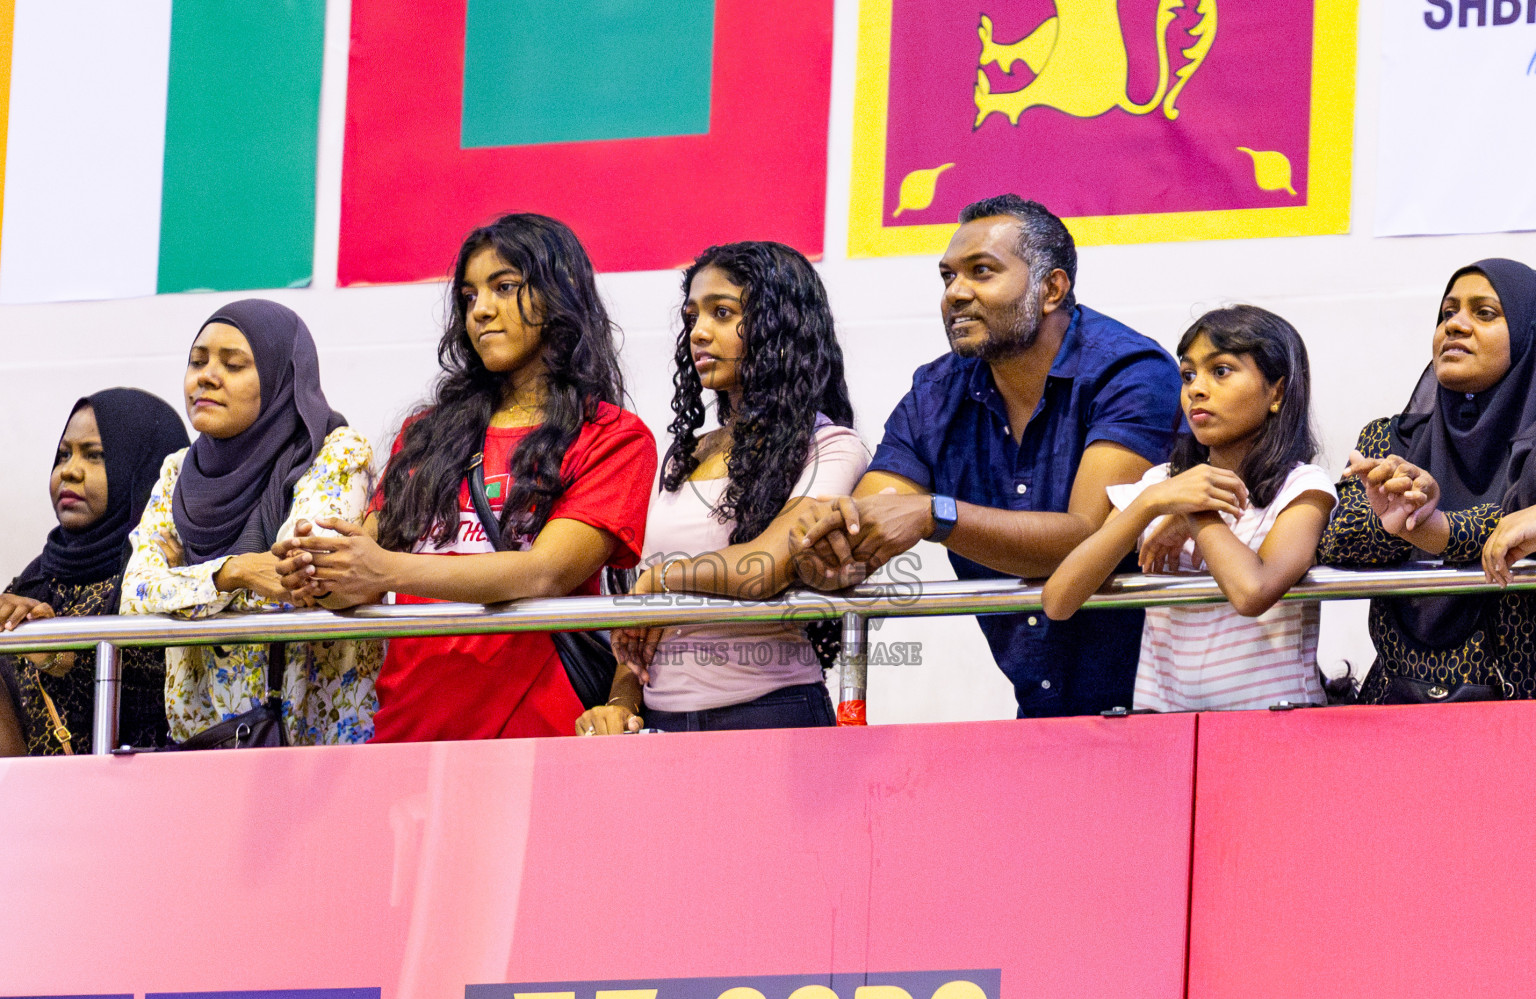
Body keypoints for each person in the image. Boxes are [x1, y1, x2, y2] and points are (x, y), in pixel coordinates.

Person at [791, 194, 1182, 717]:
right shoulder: (935, 392)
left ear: (1050, 289)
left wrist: (937, 514)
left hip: (1162, 713)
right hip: (1036, 715)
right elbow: (864, 527)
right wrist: (831, 548)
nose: (956, 293)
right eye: (947, 277)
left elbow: (1086, 537)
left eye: (981, 272)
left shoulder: (1130, 372)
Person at [275, 213, 656, 742]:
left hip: (539, 731)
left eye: (503, 287)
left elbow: (544, 574)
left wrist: (384, 570)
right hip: (408, 728)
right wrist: (319, 569)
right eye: (470, 295)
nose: (481, 310)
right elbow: (366, 562)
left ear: (559, 295)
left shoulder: (614, 437)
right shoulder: (427, 432)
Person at [576, 242, 868, 736]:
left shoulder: (831, 446)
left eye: (723, 312)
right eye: (692, 317)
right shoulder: (680, 455)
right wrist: (621, 702)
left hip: (772, 713)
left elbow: (764, 567)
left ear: (780, 327)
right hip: (662, 722)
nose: (699, 333)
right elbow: (642, 622)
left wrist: (659, 580)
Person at [1042, 306, 1336, 710]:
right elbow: (1059, 600)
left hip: (1274, 726)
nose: (1197, 388)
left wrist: (1195, 513)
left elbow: (1251, 593)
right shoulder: (1162, 486)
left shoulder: (1302, 487)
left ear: (1277, 392)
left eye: (1221, 370)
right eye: (1188, 374)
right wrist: (1149, 504)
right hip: (1167, 731)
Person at [120, 300, 380, 744]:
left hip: (313, 746)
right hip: (203, 744)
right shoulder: (176, 473)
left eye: (234, 364)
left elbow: (301, 582)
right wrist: (233, 572)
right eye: (197, 361)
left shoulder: (336, 454)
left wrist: (183, 582)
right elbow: (134, 597)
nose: (206, 376)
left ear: (283, 378)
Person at [1319, 259, 1536, 702]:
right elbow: (1336, 541)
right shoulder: (1389, 438)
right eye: (1447, 313)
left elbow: (1509, 526)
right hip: (1396, 707)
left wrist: (1429, 522)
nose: (1455, 325)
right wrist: (1393, 517)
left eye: (1485, 313)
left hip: (1515, 711)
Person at [0, 389, 188, 755]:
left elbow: (149, 685)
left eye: (95, 456)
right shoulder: (37, 577)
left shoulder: (161, 566)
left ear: (143, 468)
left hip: (144, 796)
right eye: (63, 454)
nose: (69, 470)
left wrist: (58, 654)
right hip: (33, 803)